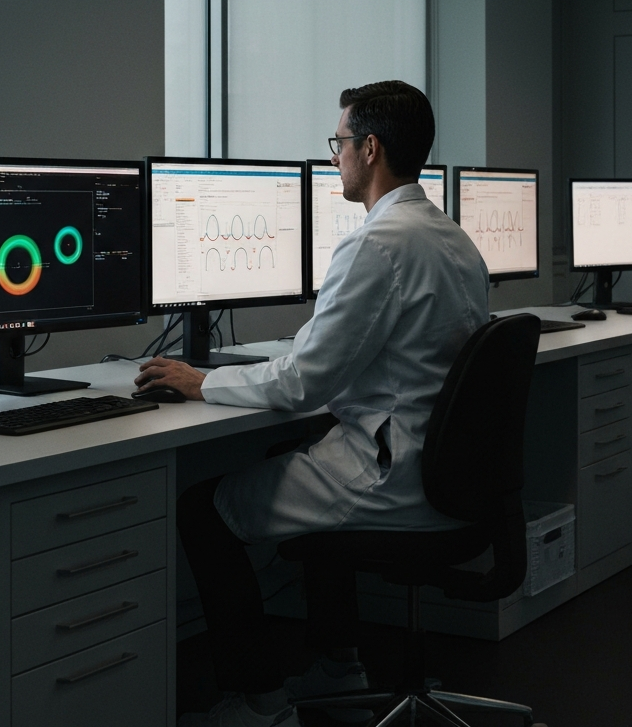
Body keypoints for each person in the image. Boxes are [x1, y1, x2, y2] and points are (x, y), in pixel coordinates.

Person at [135, 81, 490, 727]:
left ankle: (260, 701)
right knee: (288, 452)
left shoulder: (376, 244)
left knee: (202, 510)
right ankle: (337, 661)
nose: (335, 157)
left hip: (394, 476)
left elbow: (303, 383)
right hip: (446, 475)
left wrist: (198, 382)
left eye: (341, 142)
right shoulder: (452, 238)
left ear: (371, 148)